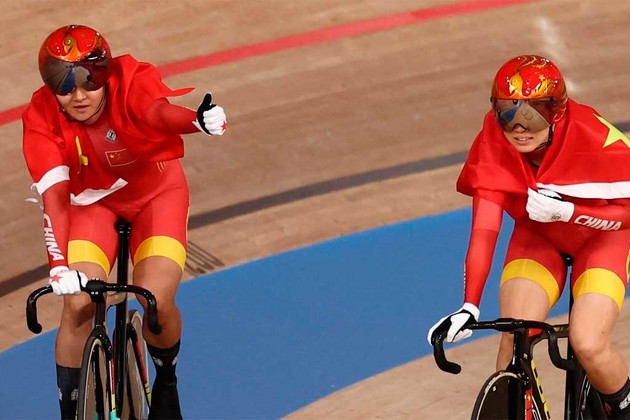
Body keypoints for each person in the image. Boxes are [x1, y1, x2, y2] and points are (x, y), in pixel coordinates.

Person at [22, 24, 227, 419]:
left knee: (155, 299)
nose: (79, 95)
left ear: (105, 73)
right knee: (78, 304)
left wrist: (195, 121)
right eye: (64, 85)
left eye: (89, 80)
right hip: (90, 205)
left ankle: (166, 380)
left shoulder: (128, 83)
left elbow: (157, 112)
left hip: (155, 197)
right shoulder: (41, 118)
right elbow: (54, 197)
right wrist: (59, 266)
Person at [427, 54, 630, 419]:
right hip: (539, 237)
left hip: (604, 239)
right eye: (507, 113)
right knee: (514, 335)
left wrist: (569, 212)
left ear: (556, 112)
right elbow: (484, 230)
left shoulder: (594, 138)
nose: (519, 127)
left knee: (588, 343)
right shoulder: (493, 140)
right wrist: (469, 305)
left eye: (532, 115)